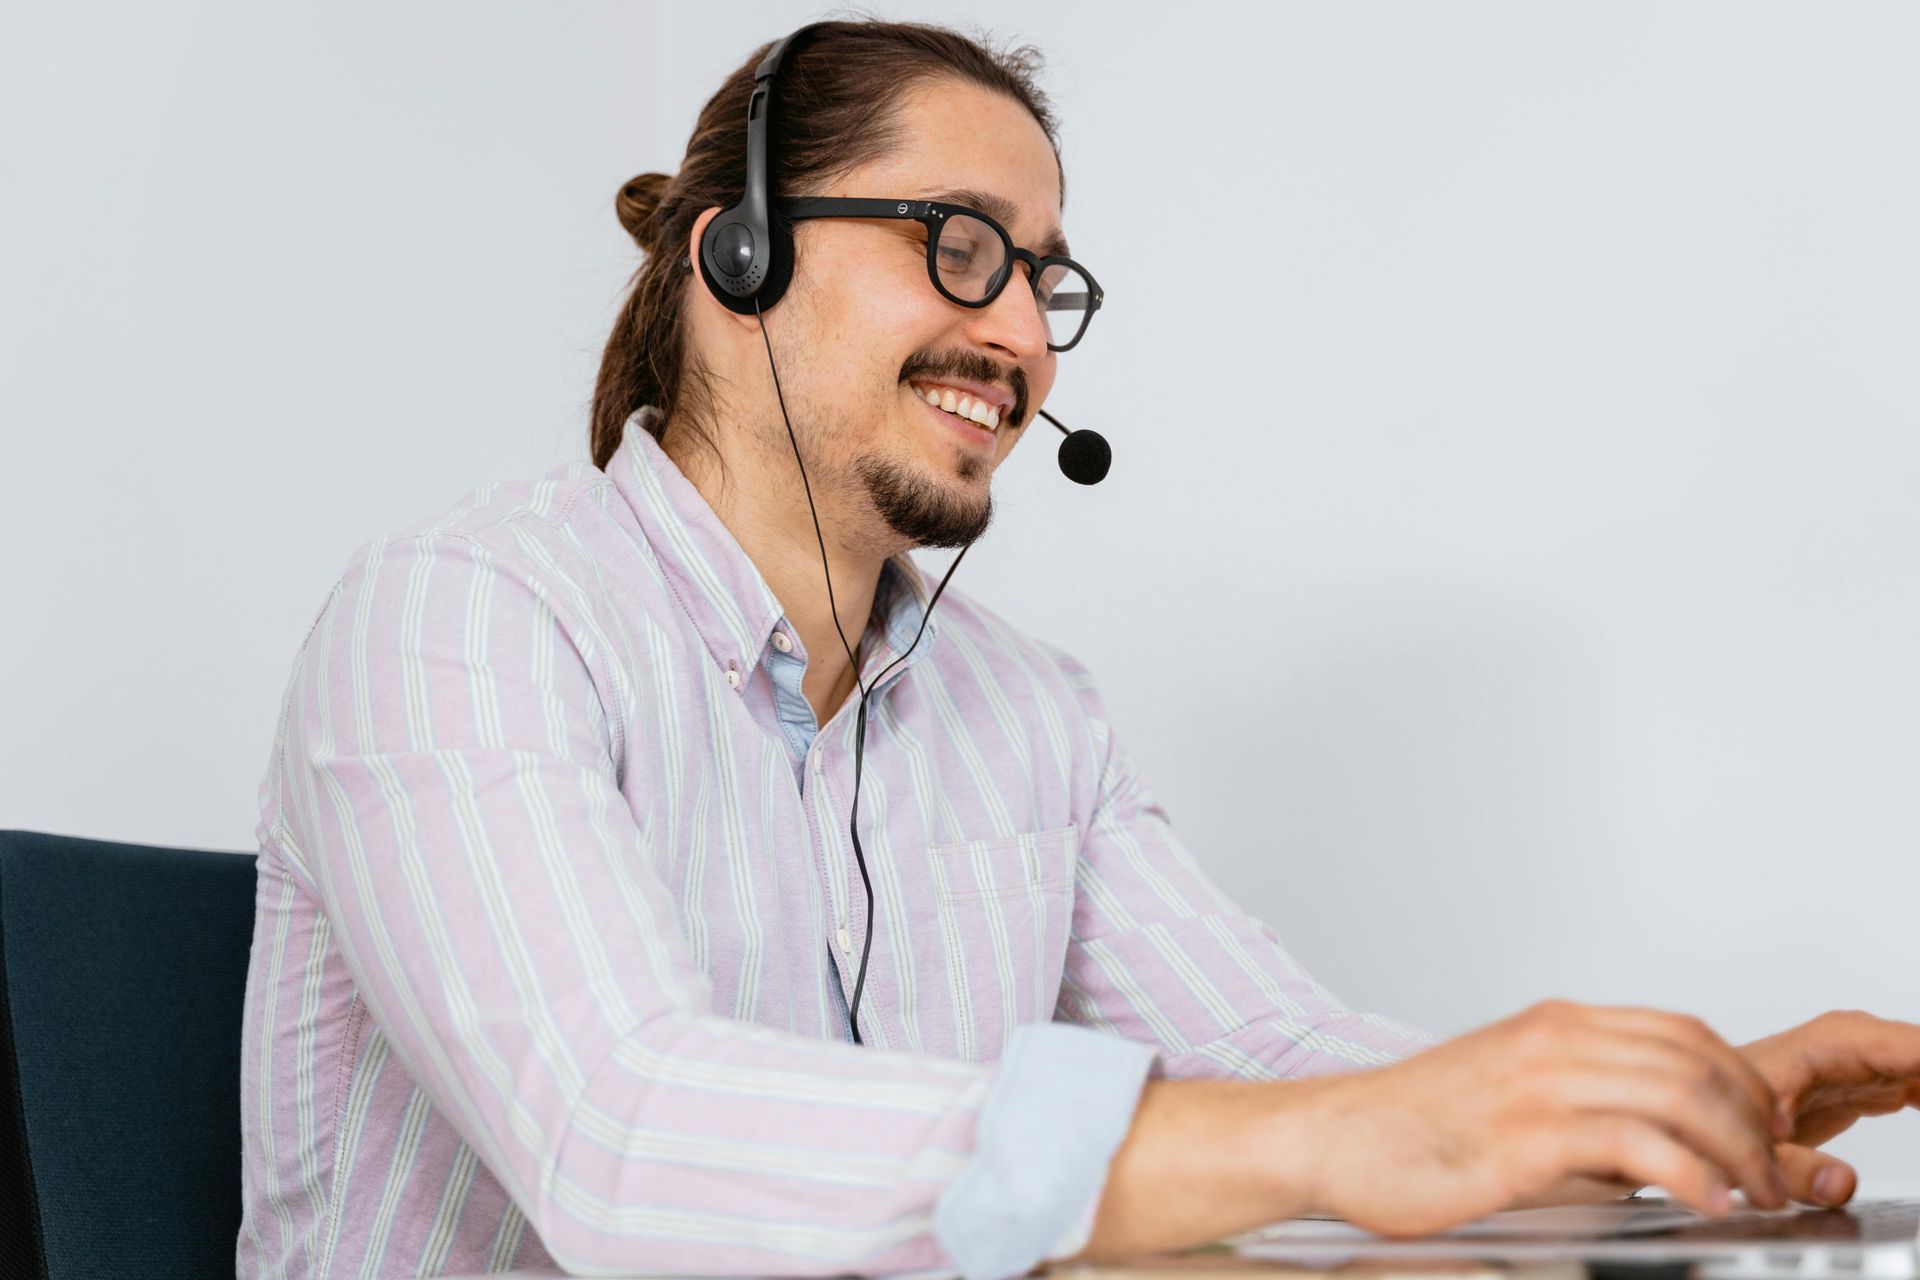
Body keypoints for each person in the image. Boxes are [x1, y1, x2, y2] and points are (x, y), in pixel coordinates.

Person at [236, 17, 1920, 1280]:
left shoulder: (1032, 714)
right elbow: (626, 1136)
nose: (1023, 338)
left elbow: (1275, 1061)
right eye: (960, 246)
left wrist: (1631, 1122)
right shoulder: (462, 621)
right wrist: (1344, 1138)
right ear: (736, 259)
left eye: (1045, 283)